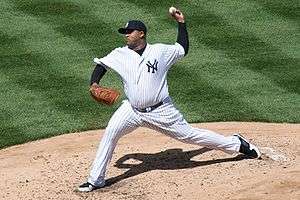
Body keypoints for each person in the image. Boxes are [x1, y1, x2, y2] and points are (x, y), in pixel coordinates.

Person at [78, 8, 261, 192]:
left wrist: (181, 23)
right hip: (131, 110)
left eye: (129, 32)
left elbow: (182, 48)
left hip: (161, 111)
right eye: (125, 32)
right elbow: (101, 65)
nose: (126, 35)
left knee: (189, 135)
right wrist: (94, 83)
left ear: (141, 34)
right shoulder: (119, 53)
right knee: (110, 134)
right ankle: (95, 180)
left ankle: (237, 143)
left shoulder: (160, 51)